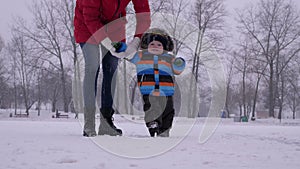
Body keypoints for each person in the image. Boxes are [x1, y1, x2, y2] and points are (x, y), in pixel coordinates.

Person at [74, 0, 151, 137]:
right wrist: (108, 44)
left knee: (111, 68)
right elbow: (90, 17)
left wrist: (136, 42)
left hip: (115, 25)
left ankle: (106, 122)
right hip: (87, 24)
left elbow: (144, 15)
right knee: (92, 66)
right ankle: (89, 123)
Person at [126, 28, 186, 137]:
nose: (155, 46)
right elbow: (128, 55)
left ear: (165, 47)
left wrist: (179, 63)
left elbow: (177, 71)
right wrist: (121, 47)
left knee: (168, 112)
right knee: (152, 107)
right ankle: (153, 124)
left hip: (166, 91)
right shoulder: (140, 56)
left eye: (159, 44)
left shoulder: (169, 58)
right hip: (149, 90)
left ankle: (164, 130)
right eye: (152, 44)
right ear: (146, 45)